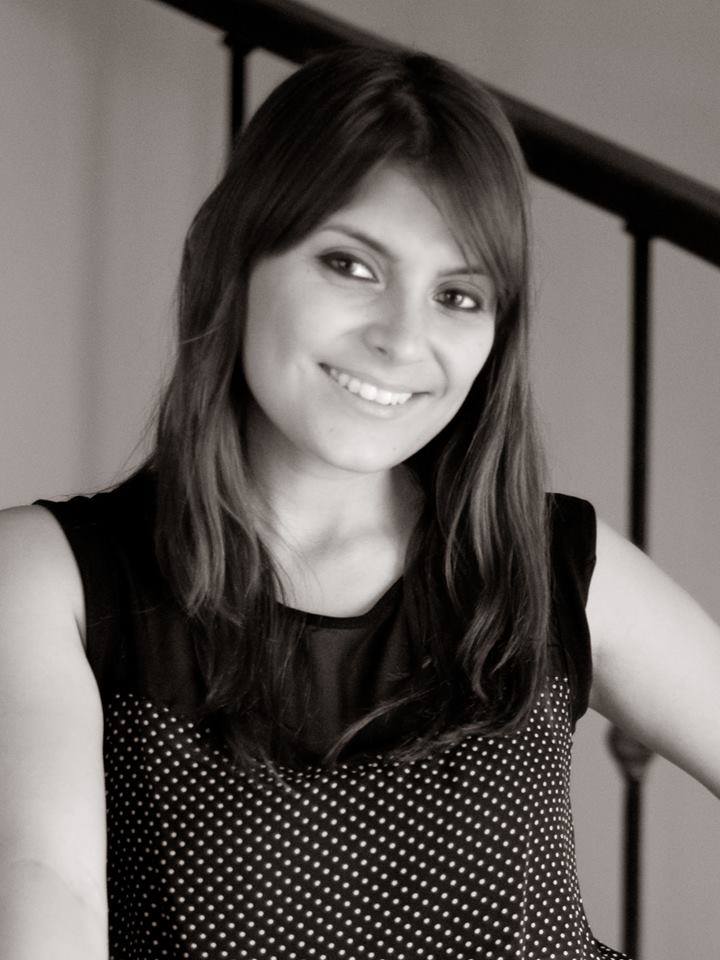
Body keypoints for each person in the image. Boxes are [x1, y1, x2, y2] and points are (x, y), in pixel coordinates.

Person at [1, 45, 718, 960]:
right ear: (238, 258)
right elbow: (47, 906)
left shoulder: (550, 563)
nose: (402, 338)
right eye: (351, 266)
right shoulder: (45, 579)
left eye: (459, 294)